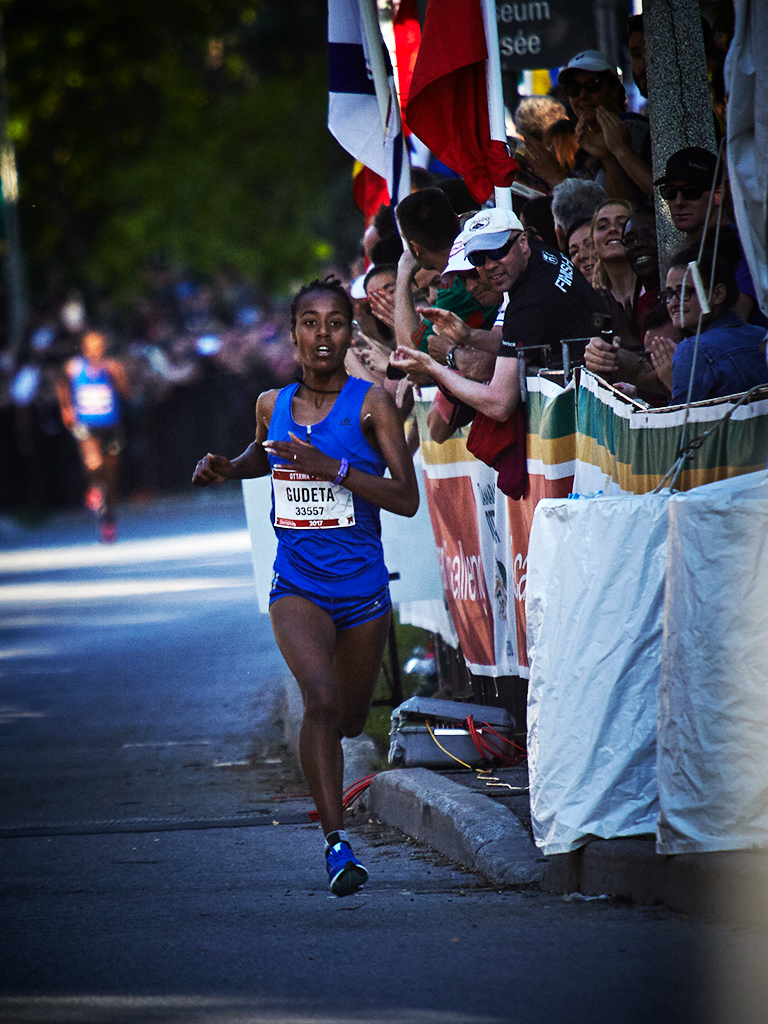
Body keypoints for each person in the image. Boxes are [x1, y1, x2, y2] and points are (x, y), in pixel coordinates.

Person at [192, 277, 419, 897]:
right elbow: (261, 456)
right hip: (297, 584)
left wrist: (337, 468)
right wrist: (226, 468)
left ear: (350, 333)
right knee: (318, 699)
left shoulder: (373, 406)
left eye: (336, 323)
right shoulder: (272, 403)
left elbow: (406, 498)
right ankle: (337, 845)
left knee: (348, 720)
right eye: (311, 323)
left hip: (363, 590)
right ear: (293, 335)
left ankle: (337, 796)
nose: (324, 335)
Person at [391, 207, 603, 417]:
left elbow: (499, 404)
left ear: (522, 243)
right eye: (478, 259)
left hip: (592, 411)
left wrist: (434, 365)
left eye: (497, 251)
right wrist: (468, 335)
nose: (489, 265)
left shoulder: (530, 300)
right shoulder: (539, 256)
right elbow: (517, 341)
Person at [654, 146, 766, 326]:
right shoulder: (692, 250)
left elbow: (736, 319)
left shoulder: (740, 244)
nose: (679, 202)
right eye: (670, 193)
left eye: (691, 192)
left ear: (718, 194)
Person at [651, 246, 768, 405]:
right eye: (669, 294)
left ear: (718, 294)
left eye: (685, 292)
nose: (673, 303)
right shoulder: (761, 334)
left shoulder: (692, 350)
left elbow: (686, 424)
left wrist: (671, 383)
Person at [55, 330, 130, 543]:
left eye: (99, 347)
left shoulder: (112, 366)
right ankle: (93, 488)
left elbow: (126, 394)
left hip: (110, 425)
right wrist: (66, 408)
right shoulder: (74, 367)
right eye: (91, 346)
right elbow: (60, 383)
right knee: (94, 463)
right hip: (86, 425)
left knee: (111, 477)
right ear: (84, 348)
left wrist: (118, 375)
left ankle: (108, 522)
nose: (95, 351)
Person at [557, 49, 652, 201]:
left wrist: (614, 154)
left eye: (592, 85)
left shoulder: (632, 128)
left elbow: (626, 205)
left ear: (614, 89)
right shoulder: (587, 137)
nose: (582, 96)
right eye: (573, 89)